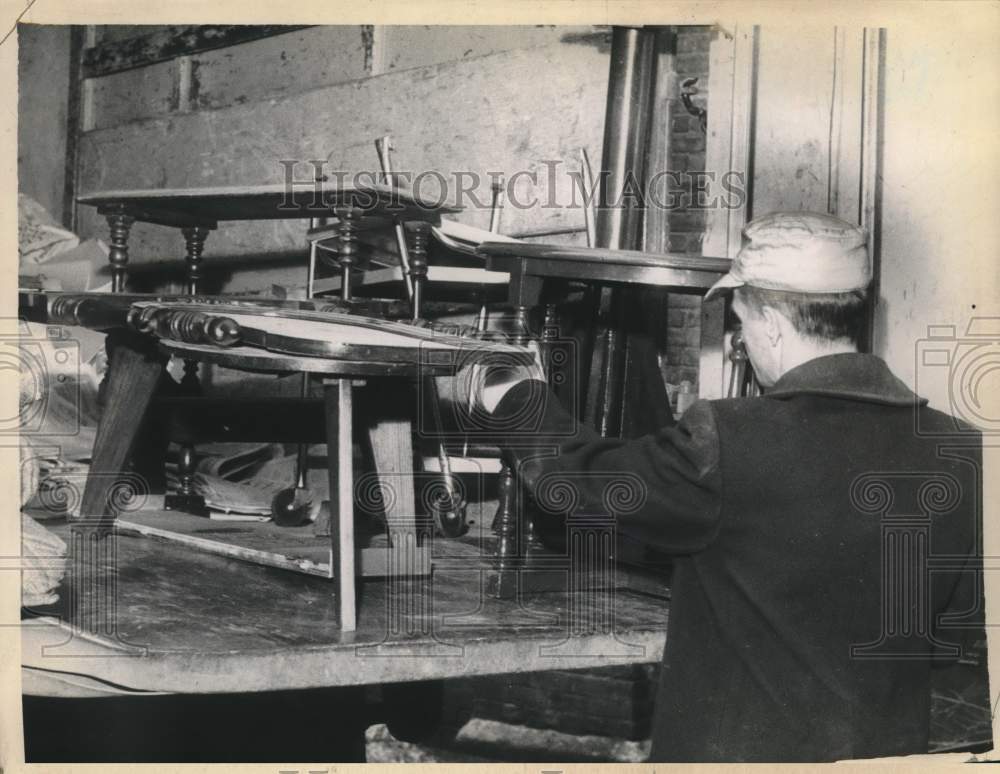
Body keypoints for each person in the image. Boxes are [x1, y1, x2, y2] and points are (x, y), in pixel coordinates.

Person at [456, 211, 990, 762]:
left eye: (740, 323)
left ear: (774, 324)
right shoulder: (963, 451)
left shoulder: (729, 439)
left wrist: (514, 393)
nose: (740, 342)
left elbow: (576, 480)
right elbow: (954, 631)